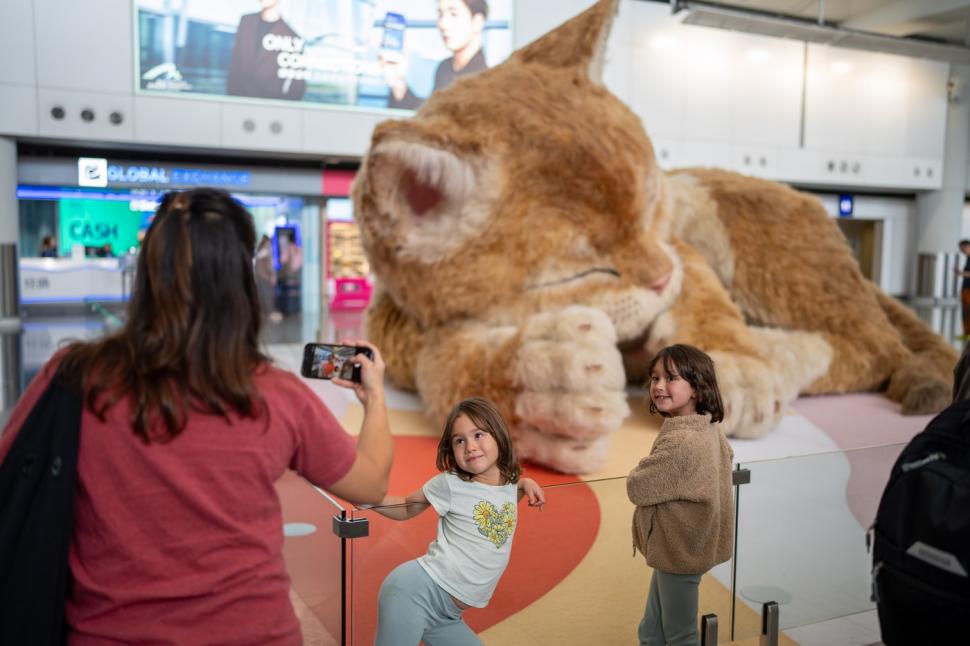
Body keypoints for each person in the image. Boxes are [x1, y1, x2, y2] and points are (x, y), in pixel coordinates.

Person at [0, 188, 393, 644]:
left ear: (148, 274)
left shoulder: (77, 378)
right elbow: (371, 485)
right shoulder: (275, 394)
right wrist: (374, 397)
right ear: (242, 284)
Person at [371, 397, 545, 646]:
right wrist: (367, 499)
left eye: (478, 435)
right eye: (459, 440)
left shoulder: (508, 484)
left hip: (447, 616)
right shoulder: (452, 484)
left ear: (498, 435)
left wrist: (526, 483)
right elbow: (407, 506)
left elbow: (504, 496)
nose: (470, 446)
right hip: (414, 592)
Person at [627, 345, 734, 646]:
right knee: (652, 630)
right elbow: (726, 458)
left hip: (681, 549)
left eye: (671, 378)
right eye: (655, 378)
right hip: (680, 548)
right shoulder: (709, 427)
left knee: (680, 634)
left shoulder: (682, 441)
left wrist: (641, 472)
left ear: (697, 388)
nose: (659, 386)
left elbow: (637, 487)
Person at [385, 0, 490, 110]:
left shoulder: (483, 82)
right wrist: (398, 82)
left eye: (454, 14)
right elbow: (431, 113)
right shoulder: (445, 67)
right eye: (440, 14)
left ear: (477, 22)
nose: (442, 24)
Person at [226, 0, 307, 101]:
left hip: (269, 102)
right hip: (238, 98)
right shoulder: (246, 21)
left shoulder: (291, 36)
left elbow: (297, 84)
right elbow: (236, 61)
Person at [254, 233, 280, 321]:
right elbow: (269, 265)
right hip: (265, 277)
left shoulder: (260, 250)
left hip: (260, 276)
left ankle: (265, 314)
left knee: (263, 295)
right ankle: (270, 314)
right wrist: (272, 275)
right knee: (268, 295)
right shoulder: (266, 250)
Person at [954, 239, 970, 339]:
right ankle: (966, 333)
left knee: (968, 310)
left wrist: (961, 273)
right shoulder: (967, 258)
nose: (962, 251)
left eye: (963, 249)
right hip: (965, 288)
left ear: (968, 246)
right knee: (965, 311)